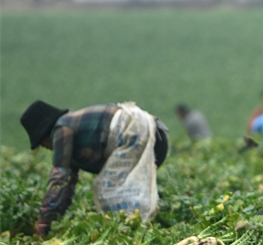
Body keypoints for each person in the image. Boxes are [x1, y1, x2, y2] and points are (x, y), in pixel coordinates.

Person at [20, 100, 169, 236]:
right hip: (149, 130)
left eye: (42, 144)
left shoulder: (62, 129)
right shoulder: (72, 126)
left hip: (133, 130)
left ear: (46, 136)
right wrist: (53, 217)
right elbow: (67, 184)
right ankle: (139, 229)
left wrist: (44, 222)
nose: (46, 148)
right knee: (128, 188)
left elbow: (60, 178)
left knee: (110, 192)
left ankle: (133, 233)